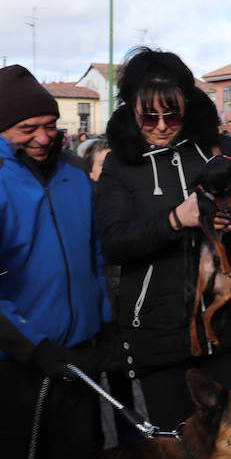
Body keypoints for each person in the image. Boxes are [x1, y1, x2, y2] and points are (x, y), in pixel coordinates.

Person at [96, 47, 231, 430]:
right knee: (180, 445)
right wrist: (176, 220)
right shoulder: (119, 164)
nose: (161, 125)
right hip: (159, 336)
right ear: (132, 109)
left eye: (171, 113)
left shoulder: (220, 148)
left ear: (187, 106)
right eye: (149, 115)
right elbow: (113, 242)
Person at [0, 65, 111, 458]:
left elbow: (93, 253)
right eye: (27, 128)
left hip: (80, 354)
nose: (43, 137)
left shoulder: (75, 172)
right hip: (18, 363)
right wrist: (34, 347)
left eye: (50, 125)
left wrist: (103, 320)